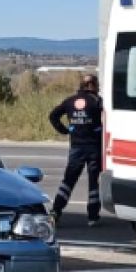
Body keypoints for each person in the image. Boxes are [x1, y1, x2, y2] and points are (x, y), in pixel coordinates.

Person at [47, 73, 105, 226]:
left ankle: (56, 211)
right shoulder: (97, 101)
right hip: (93, 147)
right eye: (97, 84)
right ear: (91, 85)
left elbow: (53, 116)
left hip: (76, 147)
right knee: (94, 183)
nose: (98, 88)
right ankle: (92, 217)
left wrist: (65, 130)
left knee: (68, 181)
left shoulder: (70, 101)